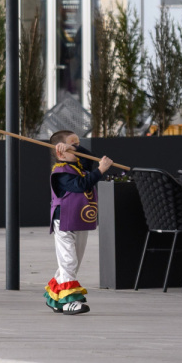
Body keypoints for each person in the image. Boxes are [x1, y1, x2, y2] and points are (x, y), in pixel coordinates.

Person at [46, 132, 111, 314]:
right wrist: (101, 170)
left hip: (79, 221)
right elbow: (81, 185)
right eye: (71, 145)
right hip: (64, 222)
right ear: (60, 152)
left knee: (74, 260)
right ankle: (69, 301)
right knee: (68, 260)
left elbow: (89, 158)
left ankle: (54, 297)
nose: (76, 148)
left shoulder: (80, 166)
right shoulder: (60, 172)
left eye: (78, 144)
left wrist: (74, 148)